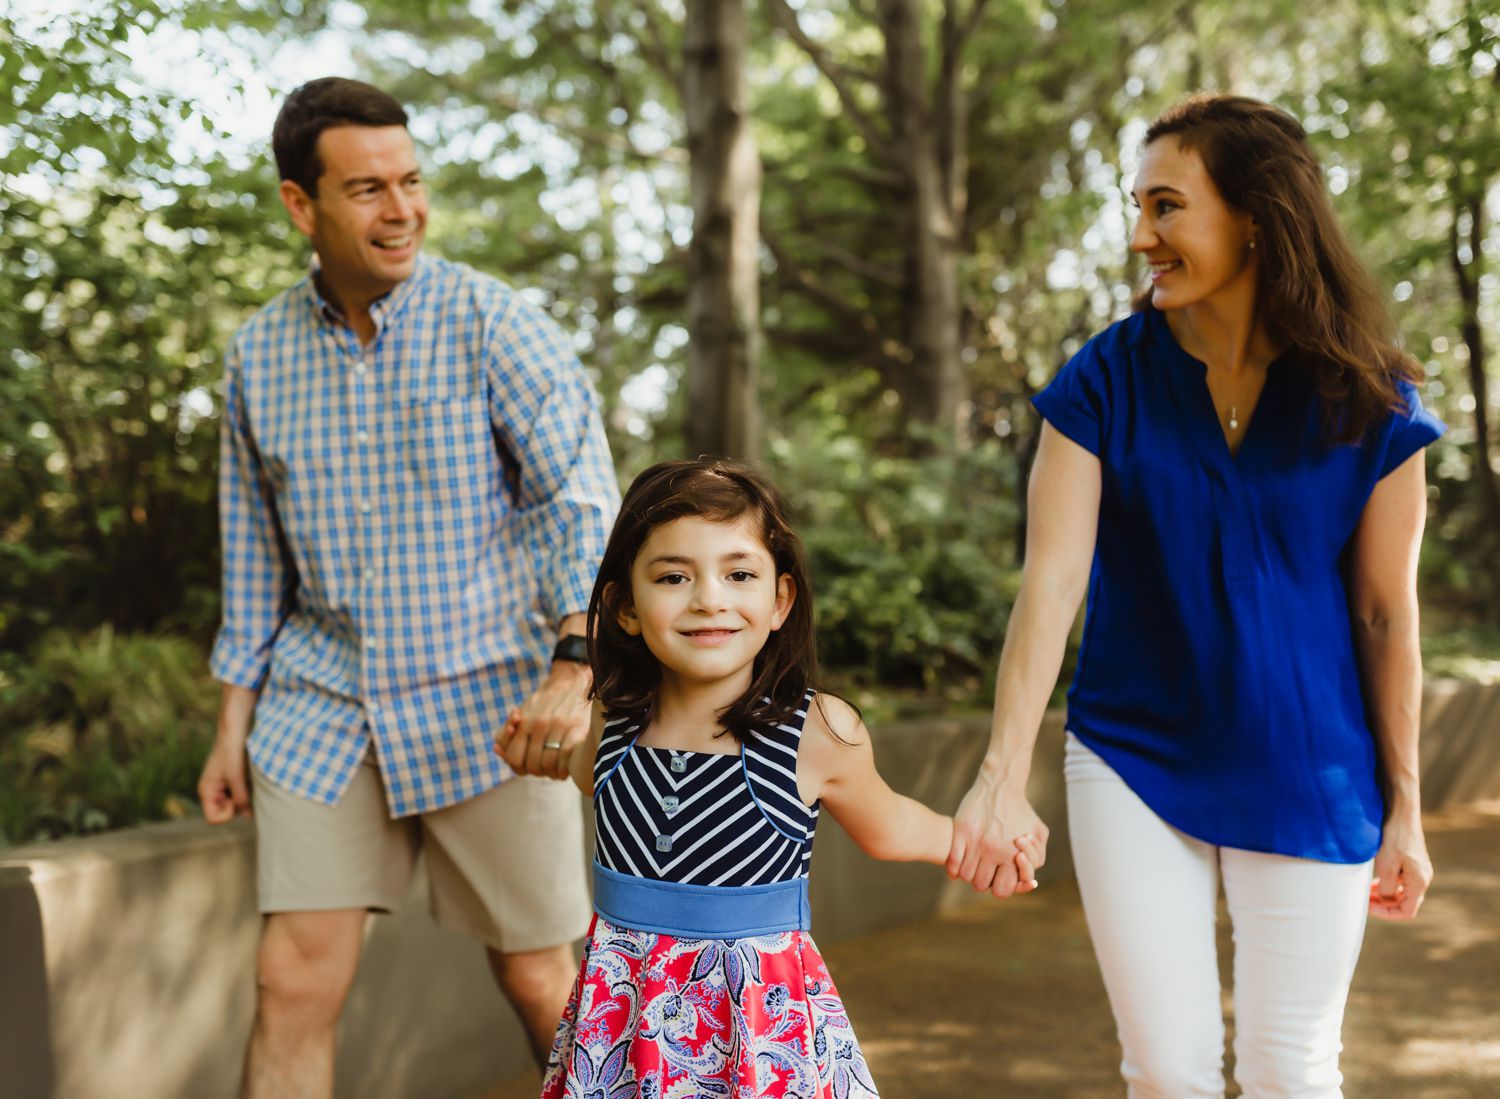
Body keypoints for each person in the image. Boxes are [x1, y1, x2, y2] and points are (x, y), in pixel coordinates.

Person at [948, 93, 1445, 1097]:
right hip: (1135, 752)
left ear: (1256, 216)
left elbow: (1387, 614)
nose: (1142, 236)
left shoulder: (1372, 399)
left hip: (1314, 766)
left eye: (1167, 207)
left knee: (1291, 1071)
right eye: (1138, 207)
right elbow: (1052, 580)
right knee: (1168, 1071)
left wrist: (1408, 806)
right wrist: (1001, 772)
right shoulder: (1103, 381)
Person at [196, 77, 620, 1098]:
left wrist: (575, 662)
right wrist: (230, 723)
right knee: (291, 979)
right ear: (302, 204)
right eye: (368, 189)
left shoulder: (493, 325)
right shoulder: (260, 354)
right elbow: (254, 562)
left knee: (537, 976)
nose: (402, 211)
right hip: (323, 708)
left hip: (490, 702)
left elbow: (579, 502)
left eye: (412, 182)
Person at [499, 458, 1038, 1098]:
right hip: (624, 1035)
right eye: (674, 576)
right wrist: (535, 752)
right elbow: (583, 771)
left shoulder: (813, 732)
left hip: (755, 1036)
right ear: (625, 607)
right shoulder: (613, 720)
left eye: (739, 574)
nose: (709, 598)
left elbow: (889, 825)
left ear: (780, 600)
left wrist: (971, 842)